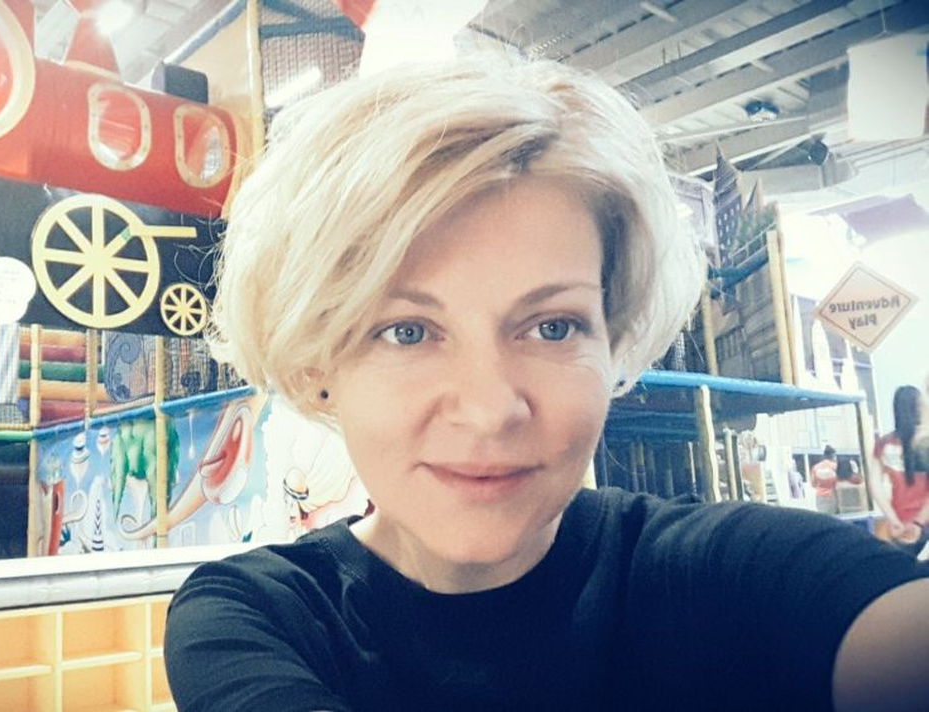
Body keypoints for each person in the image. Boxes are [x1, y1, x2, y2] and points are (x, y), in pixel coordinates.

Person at [163, 54, 928, 711]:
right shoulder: (259, 618)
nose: (491, 408)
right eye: (407, 331)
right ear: (317, 365)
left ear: (614, 338)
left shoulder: (732, 575)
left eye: (553, 327)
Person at [872, 386, 929, 557]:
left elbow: (875, 484)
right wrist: (918, 522)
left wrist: (892, 519)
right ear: (919, 408)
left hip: (898, 525)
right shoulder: (924, 442)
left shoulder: (884, 443)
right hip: (923, 523)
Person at [810, 445, 859, 514]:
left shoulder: (815, 467)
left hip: (820, 497)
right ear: (833, 456)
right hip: (832, 495)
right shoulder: (835, 466)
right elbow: (843, 480)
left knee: (823, 516)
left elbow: (813, 484)